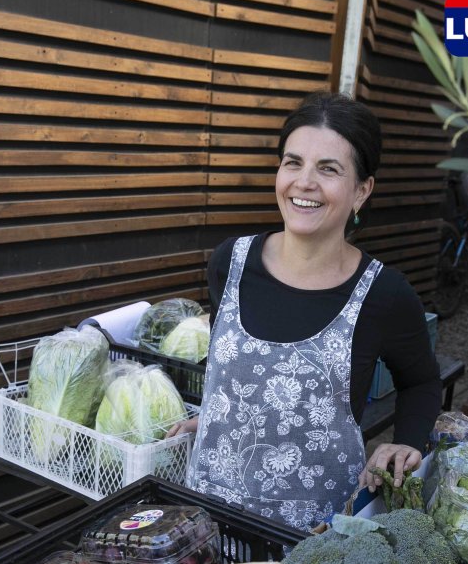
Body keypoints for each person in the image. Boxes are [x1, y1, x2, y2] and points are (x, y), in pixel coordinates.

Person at [167, 91, 442, 531]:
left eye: (328, 169)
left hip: (314, 536)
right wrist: (221, 416)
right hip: (208, 517)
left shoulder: (382, 294)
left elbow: (422, 381)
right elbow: (237, 368)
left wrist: (406, 442)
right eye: (292, 163)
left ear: (362, 190)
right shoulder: (230, 263)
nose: (304, 182)